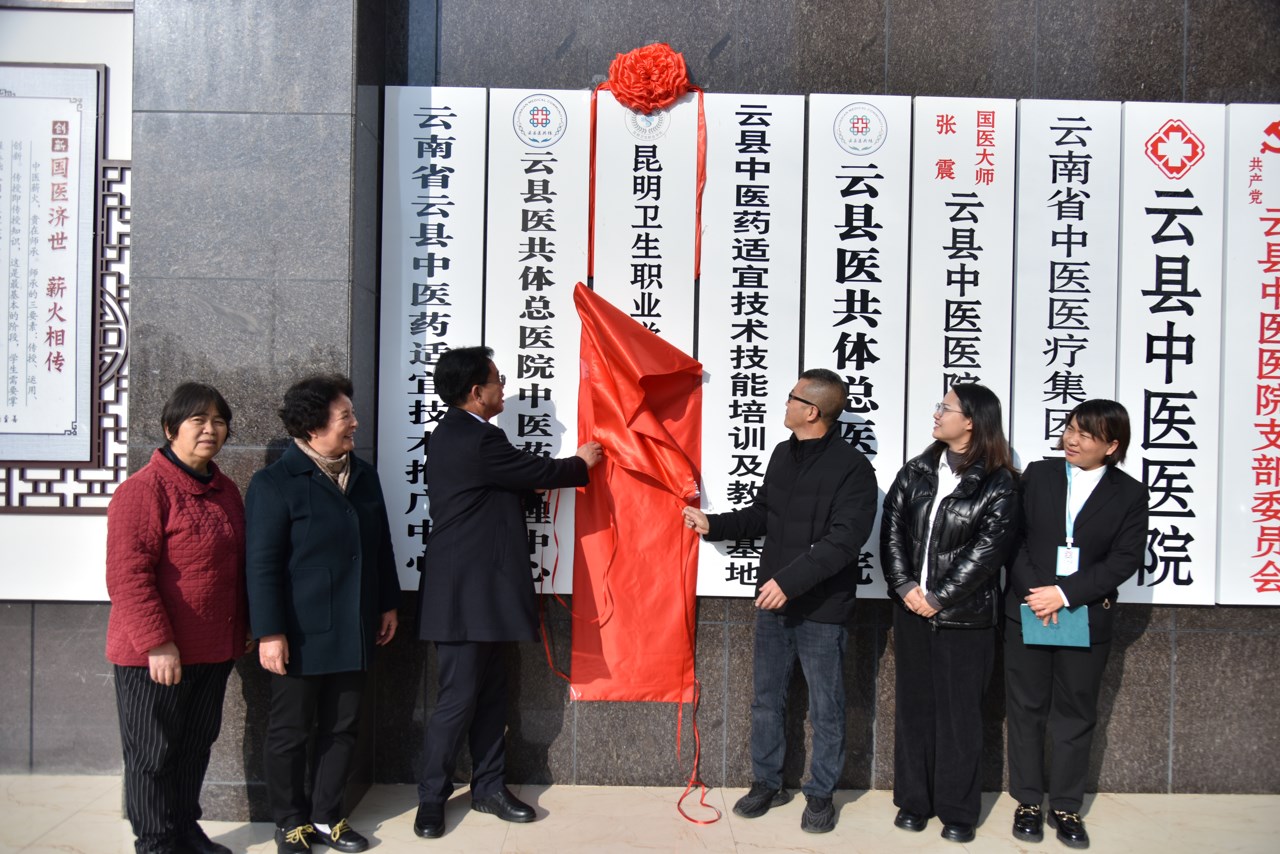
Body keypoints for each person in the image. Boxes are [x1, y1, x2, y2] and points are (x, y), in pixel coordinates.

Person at [414, 346, 603, 839]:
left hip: (484, 592)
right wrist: (580, 462)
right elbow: (537, 472)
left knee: (493, 693)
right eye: (498, 380)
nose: (504, 388)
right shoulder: (477, 437)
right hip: (465, 594)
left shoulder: (455, 434)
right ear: (476, 392)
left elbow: (500, 484)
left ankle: (489, 788)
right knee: (458, 699)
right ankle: (430, 800)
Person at [681, 368, 877, 834]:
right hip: (775, 604)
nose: (784, 403)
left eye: (792, 398)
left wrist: (789, 582)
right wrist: (715, 524)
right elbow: (764, 514)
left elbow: (844, 542)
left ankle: (820, 794)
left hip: (822, 608)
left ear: (813, 411)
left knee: (826, 707)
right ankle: (767, 783)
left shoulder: (853, 469)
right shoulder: (783, 455)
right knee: (767, 700)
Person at [245, 374, 401, 854]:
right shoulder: (275, 483)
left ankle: (327, 815)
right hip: (300, 631)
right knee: (290, 731)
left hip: (355, 624)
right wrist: (270, 632)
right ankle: (290, 822)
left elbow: (381, 546)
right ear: (314, 426)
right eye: (345, 416)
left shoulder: (364, 475)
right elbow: (261, 565)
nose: (355, 423)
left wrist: (387, 603)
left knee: (342, 726)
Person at [106, 382, 246, 854]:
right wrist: (157, 642)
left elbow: (235, 569)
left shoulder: (225, 490)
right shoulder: (142, 490)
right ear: (170, 429)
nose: (210, 430)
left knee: (193, 747)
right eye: (198, 420)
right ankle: (155, 842)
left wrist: (244, 626)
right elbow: (127, 575)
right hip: (155, 656)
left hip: (212, 649)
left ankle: (185, 829)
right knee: (152, 754)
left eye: (219, 421)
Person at [1004, 400, 1148, 850]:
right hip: (1028, 608)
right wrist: (1038, 593)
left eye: (1086, 435)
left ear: (1112, 446)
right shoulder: (1039, 476)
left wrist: (1064, 595)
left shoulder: (1129, 494)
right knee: (1025, 708)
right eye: (1070, 428)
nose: (1072, 439)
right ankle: (1028, 801)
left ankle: (1066, 806)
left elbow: (1124, 559)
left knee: (1076, 713)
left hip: (1084, 614)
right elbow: (1013, 538)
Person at [880, 383, 1018, 844]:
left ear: (972, 421)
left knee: (960, 716)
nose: (937, 414)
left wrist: (938, 597)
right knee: (914, 709)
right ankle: (914, 801)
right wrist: (905, 587)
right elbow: (892, 530)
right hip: (911, 611)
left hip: (965, 618)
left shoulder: (998, 482)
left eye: (946, 407)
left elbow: (987, 552)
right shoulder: (917, 470)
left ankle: (958, 811)